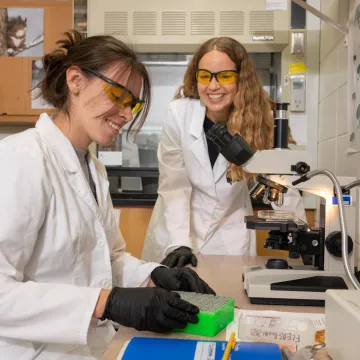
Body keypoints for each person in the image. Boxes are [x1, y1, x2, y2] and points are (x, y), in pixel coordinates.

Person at [0, 30, 215, 360]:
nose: (127, 113)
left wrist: (153, 275)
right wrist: (106, 302)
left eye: (133, 103)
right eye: (119, 94)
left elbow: (106, 258)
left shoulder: (94, 169)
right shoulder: (21, 158)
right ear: (75, 80)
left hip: (93, 347)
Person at [141, 37, 306, 268]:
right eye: (205, 76)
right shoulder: (179, 114)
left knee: (225, 301)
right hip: (176, 230)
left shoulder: (261, 121)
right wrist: (179, 243)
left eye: (225, 76)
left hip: (228, 233)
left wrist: (302, 236)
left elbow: (281, 184)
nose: (213, 86)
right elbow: (174, 186)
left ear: (242, 79)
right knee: (173, 300)